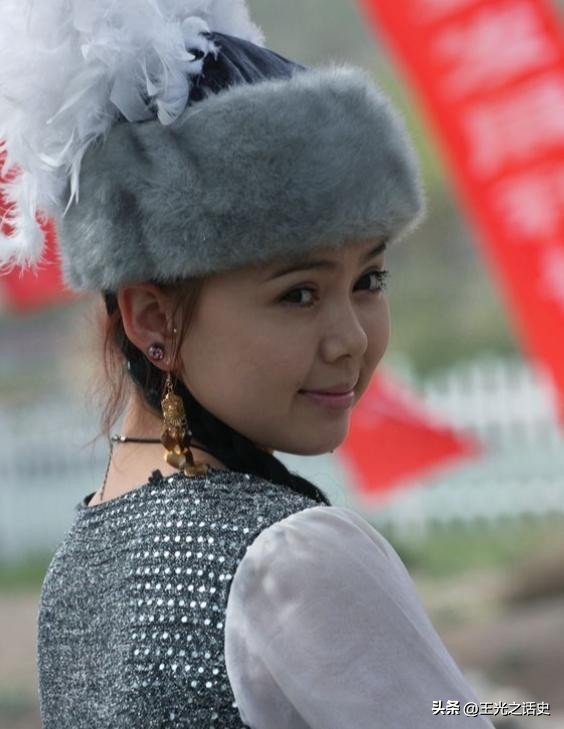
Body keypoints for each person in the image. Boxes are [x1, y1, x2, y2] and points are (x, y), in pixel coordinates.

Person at [0, 1, 495, 727]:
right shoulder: (293, 562)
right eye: (299, 293)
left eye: (369, 279)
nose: (351, 339)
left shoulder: (74, 571)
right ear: (153, 318)